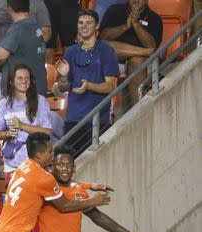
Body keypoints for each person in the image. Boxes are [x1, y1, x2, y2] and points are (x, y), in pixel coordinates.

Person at [56, 9, 119, 155]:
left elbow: (111, 86)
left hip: (98, 120)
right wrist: (64, 77)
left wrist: (89, 86)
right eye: (81, 22)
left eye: (89, 22)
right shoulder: (70, 52)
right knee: (74, 163)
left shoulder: (107, 51)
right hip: (73, 119)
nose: (84, 26)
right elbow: (63, 86)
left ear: (97, 26)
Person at [99, 0, 163, 104]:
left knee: (137, 60)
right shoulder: (114, 10)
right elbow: (103, 37)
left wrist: (136, 25)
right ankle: (143, 52)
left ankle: (137, 111)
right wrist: (125, 27)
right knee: (103, 46)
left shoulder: (154, 18)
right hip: (114, 59)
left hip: (143, 63)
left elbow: (152, 46)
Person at [0, 63, 51, 174]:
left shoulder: (40, 101)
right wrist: (8, 134)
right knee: (15, 191)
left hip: (36, 160)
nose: (24, 81)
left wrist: (22, 126)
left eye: (27, 78)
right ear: (11, 81)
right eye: (19, 78)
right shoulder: (3, 104)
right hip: (12, 161)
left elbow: (47, 132)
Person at [0, 0, 47, 97]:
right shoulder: (36, 27)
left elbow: (0, 56)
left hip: (22, 95)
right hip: (38, 89)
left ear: (10, 8)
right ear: (29, 8)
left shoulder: (17, 28)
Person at [44, 0, 79, 64]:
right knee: (48, 44)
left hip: (69, 6)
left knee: (69, 44)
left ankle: (71, 72)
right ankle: (47, 73)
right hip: (47, 6)